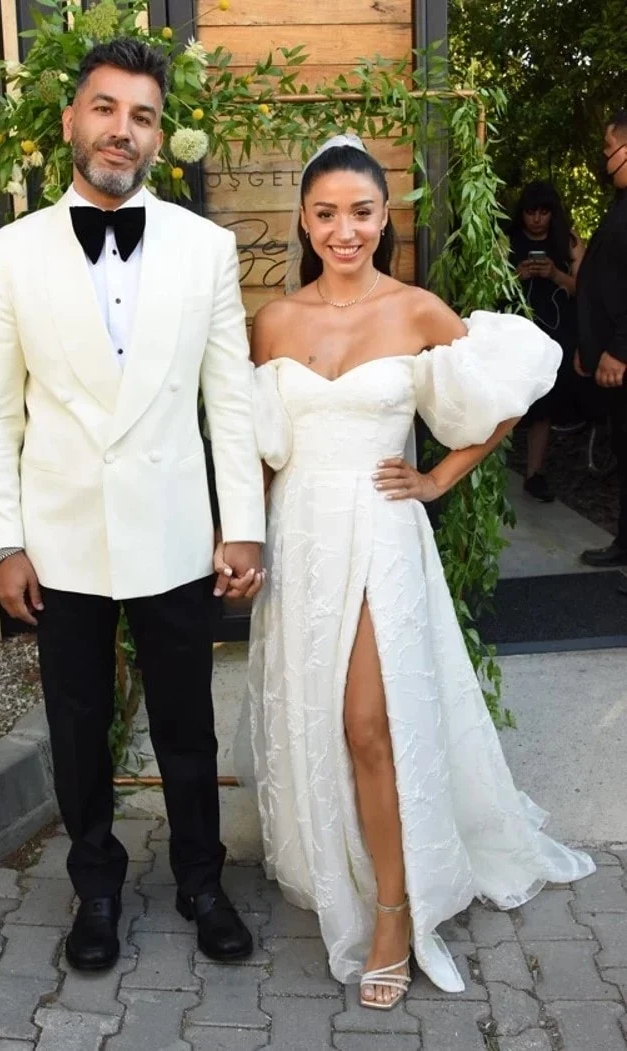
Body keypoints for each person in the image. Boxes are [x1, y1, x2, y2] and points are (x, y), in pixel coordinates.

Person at [242, 135, 594, 1009]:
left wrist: (437, 477)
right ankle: (344, 862)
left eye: (361, 212)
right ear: (304, 220)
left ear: (384, 217)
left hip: (381, 533)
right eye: (326, 213)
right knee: (320, 716)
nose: (344, 230)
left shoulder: (416, 310)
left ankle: (395, 913)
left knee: (369, 721)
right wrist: (242, 540)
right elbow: (257, 449)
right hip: (301, 537)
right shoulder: (274, 321)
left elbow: (513, 383)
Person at [0, 39, 266, 973]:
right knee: (77, 723)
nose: (121, 130)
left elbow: (231, 395)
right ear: (71, 120)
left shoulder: (206, 248)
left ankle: (201, 879)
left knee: (186, 722)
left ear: (158, 136)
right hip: (62, 539)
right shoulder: (7, 255)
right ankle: (95, 886)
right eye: (105, 108)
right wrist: (3, 541)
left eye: (142, 116)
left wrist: (243, 524)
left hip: (173, 528)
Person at [508, 182, 584, 502]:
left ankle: (534, 474)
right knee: (508, 398)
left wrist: (554, 274)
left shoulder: (568, 241)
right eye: (531, 212)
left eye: (543, 212)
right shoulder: (507, 240)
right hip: (515, 329)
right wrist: (518, 275)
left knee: (545, 404)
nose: (537, 219)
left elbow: (586, 288)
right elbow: (489, 286)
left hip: (556, 331)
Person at [576, 109, 627, 569]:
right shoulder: (620, 204)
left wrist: (618, 351)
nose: (604, 158)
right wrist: (589, 345)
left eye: (609, 149)